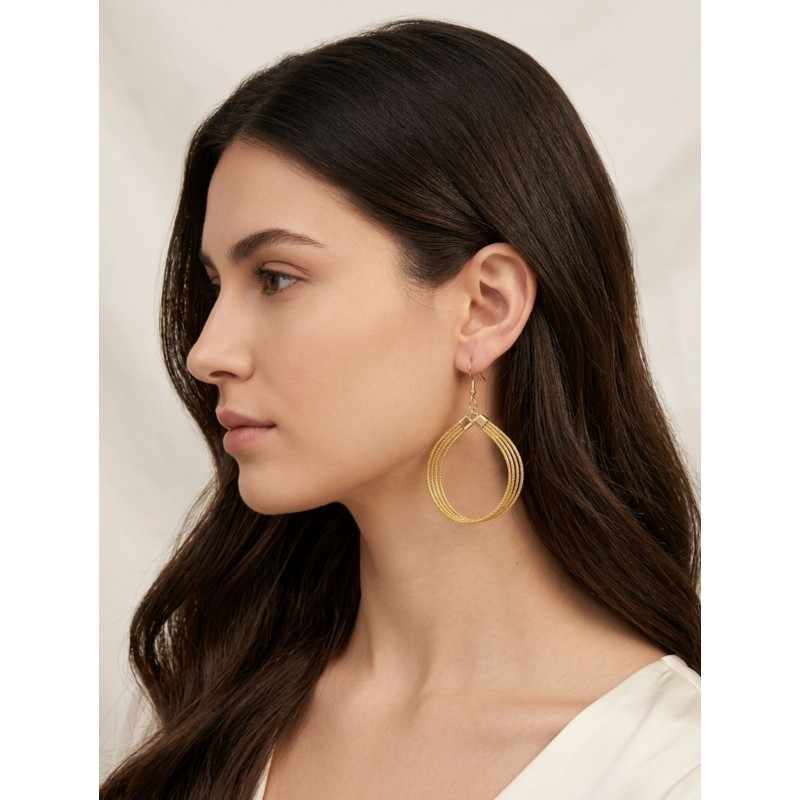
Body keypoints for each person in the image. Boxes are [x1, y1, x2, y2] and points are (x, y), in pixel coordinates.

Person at [100, 18, 700, 800]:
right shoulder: (202, 717)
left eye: (276, 278)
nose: (206, 352)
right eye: (215, 287)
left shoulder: (680, 769)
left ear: (484, 308)